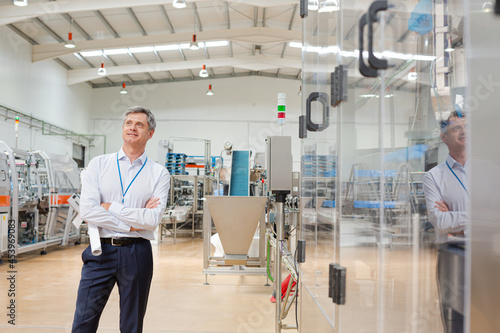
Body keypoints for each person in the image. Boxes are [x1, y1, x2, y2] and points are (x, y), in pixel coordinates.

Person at [72, 106, 170, 333]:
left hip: (137, 253)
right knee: (83, 321)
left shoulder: (158, 173)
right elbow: (87, 210)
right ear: (123, 128)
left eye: (140, 124)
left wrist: (111, 207)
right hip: (100, 252)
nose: (132, 128)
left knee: (132, 324)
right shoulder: (99, 164)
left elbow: (152, 219)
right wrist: (131, 223)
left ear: (150, 133)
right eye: (129, 123)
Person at [423, 109, 468, 333]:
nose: (464, 132)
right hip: (452, 255)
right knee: (455, 322)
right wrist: (479, 216)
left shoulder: (489, 172)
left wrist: (458, 222)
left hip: (487, 252)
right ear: (444, 137)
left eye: (467, 126)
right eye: (456, 128)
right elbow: (440, 222)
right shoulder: (434, 177)